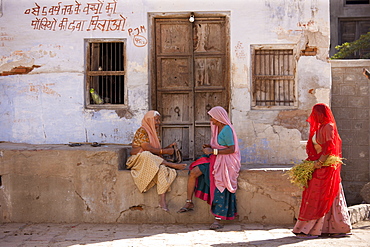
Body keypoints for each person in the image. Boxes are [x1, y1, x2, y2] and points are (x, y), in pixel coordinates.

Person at [292, 103, 352, 238]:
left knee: (324, 195)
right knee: (316, 196)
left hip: (325, 169)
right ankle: (320, 228)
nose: (313, 116)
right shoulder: (320, 128)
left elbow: (329, 147)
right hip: (316, 167)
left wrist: (319, 163)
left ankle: (328, 228)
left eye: (315, 113)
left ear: (321, 114)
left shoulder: (329, 127)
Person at [177, 106, 241, 230]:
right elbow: (219, 146)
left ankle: (218, 220)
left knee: (220, 185)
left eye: (212, 117)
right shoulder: (218, 128)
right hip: (214, 159)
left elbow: (232, 149)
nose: (211, 119)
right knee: (194, 172)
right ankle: (189, 202)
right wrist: (210, 148)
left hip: (225, 162)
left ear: (218, 117)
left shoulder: (227, 129)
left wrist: (213, 151)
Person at [126, 110, 186, 212]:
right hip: (138, 160)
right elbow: (147, 149)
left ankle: (162, 200)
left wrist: (168, 148)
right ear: (149, 120)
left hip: (152, 160)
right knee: (146, 154)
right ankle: (170, 164)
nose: (158, 122)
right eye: (156, 120)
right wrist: (166, 151)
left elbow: (156, 152)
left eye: (159, 120)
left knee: (162, 169)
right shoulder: (142, 131)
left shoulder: (154, 133)